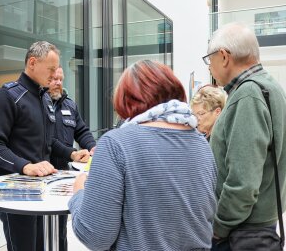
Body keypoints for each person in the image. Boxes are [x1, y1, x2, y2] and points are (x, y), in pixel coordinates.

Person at [68, 60, 217, 250]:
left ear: (125, 100)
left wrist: (79, 193)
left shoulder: (115, 144)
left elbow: (95, 236)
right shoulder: (201, 144)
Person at [206, 22, 286, 250]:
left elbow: (243, 182)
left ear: (223, 56)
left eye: (209, 59)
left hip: (240, 232)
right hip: (256, 226)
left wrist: (218, 228)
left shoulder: (248, 95)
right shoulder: (268, 86)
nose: (209, 67)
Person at [0, 41, 60, 251]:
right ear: (32, 62)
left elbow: (47, 141)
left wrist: (73, 153)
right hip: (16, 192)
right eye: (51, 69)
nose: (55, 75)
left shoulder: (44, 98)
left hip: (43, 189)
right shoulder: (7, 96)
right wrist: (26, 166)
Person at [48, 66, 96, 251]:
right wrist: (72, 153)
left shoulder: (69, 104)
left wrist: (93, 147)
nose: (58, 83)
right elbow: (47, 140)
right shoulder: (41, 104)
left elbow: (81, 131)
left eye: (60, 79)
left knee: (60, 226)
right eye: (53, 79)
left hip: (63, 175)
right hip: (42, 173)